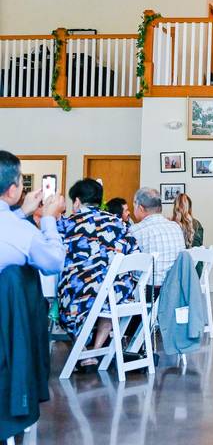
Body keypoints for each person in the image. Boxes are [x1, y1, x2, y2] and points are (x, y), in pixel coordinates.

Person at [57, 179, 139, 367]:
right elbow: (135, 252)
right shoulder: (118, 222)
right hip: (117, 294)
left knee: (62, 306)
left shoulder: (68, 224)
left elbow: (54, 255)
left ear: (77, 201)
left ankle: (85, 351)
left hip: (82, 294)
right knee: (105, 305)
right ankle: (95, 349)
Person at [0, 150, 65, 274]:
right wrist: (49, 218)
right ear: (12, 190)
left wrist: (23, 212)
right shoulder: (22, 231)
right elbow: (55, 263)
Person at [129, 187, 186, 294]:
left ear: (140, 208)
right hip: (176, 289)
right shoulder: (175, 227)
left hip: (150, 291)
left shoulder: (135, 231)